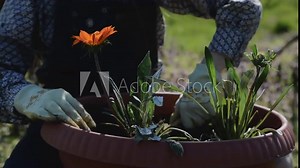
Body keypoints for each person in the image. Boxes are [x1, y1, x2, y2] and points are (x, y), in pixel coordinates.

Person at [0, 0, 262, 167]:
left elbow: (242, 7)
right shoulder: (29, 4)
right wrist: (28, 97)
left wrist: (208, 77)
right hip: (63, 126)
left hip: (144, 125)